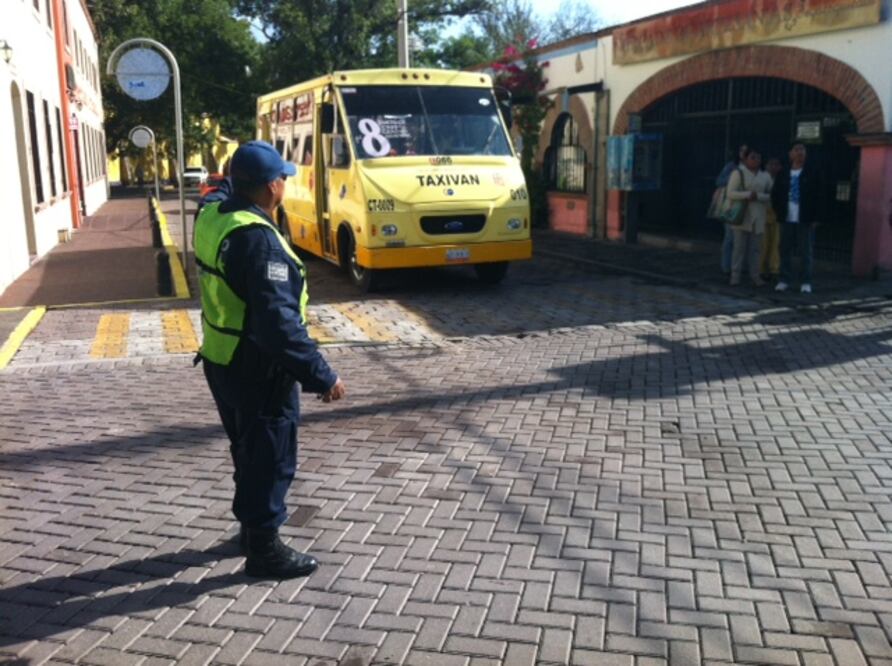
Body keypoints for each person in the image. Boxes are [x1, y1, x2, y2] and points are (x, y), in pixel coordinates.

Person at [193, 140, 346, 580]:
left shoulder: (214, 215)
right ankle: (264, 550)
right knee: (270, 457)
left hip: (221, 359)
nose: (285, 184)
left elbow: (217, 192)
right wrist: (322, 376)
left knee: (247, 450)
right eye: (282, 177)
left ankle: (250, 530)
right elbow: (278, 327)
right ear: (271, 186)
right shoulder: (258, 241)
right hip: (257, 367)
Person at [771, 142, 822, 293]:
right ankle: (784, 279)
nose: (800, 152)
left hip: (804, 218)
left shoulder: (813, 172)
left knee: (805, 251)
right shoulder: (783, 173)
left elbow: (819, 195)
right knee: (784, 249)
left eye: (802, 150)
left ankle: (805, 281)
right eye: (797, 149)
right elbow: (776, 194)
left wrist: (816, 217)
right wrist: (778, 211)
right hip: (786, 217)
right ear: (790, 154)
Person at [725, 148, 773, 286]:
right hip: (742, 215)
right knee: (738, 248)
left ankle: (755, 276)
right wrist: (746, 195)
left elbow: (771, 195)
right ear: (745, 159)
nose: (756, 160)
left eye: (758, 157)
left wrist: (758, 196)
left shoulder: (765, 176)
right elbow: (730, 193)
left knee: (756, 249)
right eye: (752, 157)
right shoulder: (738, 173)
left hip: (758, 215)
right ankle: (735, 276)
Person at [715, 143, 749, 274]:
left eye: (746, 151)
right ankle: (726, 267)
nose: (743, 153)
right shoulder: (732, 166)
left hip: (747, 205)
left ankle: (739, 266)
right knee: (730, 237)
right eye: (741, 150)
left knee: (744, 239)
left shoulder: (754, 167)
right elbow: (719, 181)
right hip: (732, 205)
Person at [759, 157, 783, 281]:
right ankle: (762, 269)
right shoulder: (761, 177)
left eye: (776, 164)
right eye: (771, 164)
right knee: (763, 243)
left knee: (776, 243)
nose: (774, 167)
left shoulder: (783, 178)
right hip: (763, 213)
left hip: (777, 214)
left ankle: (775, 269)